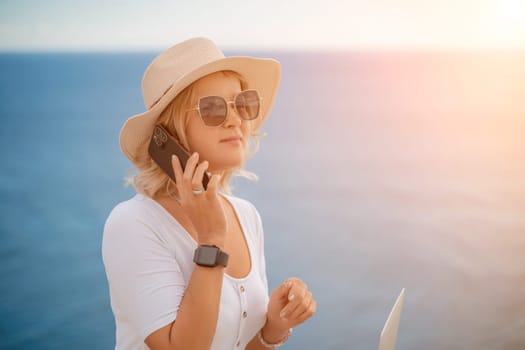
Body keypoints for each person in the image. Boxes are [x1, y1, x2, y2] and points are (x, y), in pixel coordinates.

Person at [102, 37, 317, 350]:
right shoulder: (133, 223)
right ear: (169, 133)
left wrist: (273, 327)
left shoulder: (246, 216)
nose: (236, 119)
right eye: (213, 108)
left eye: (243, 104)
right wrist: (211, 241)